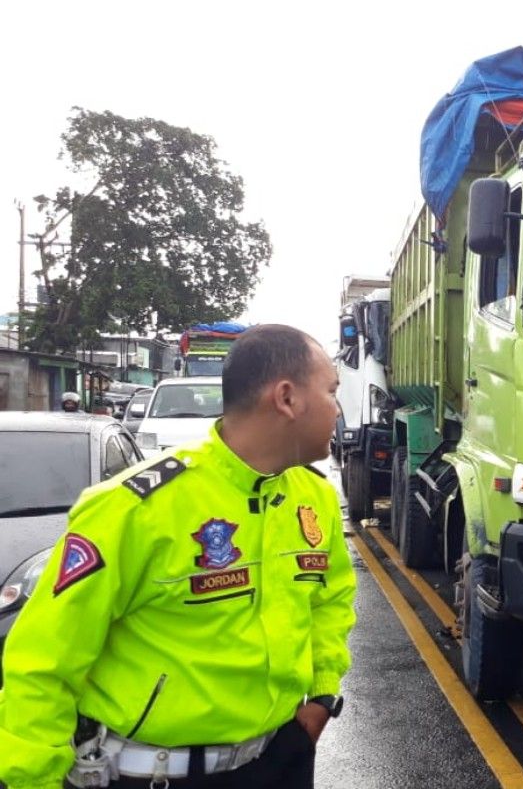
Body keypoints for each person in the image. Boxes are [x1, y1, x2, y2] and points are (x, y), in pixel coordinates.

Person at [0, 324, 357, 789]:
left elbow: (329, 601)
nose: (338, 409)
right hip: (156, 775)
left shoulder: (315, 498)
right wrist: (31, 779)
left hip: (279, 762)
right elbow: (45, 658)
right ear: (287, 398)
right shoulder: (136, 507)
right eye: (331, 392)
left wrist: (322, 696)